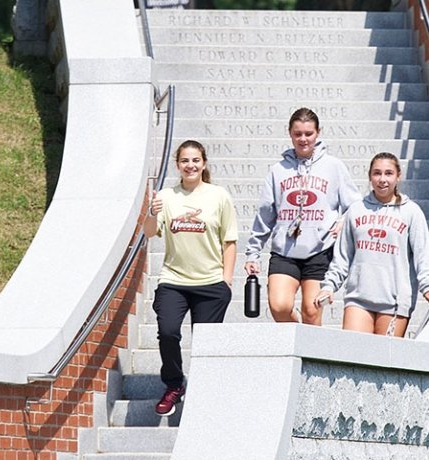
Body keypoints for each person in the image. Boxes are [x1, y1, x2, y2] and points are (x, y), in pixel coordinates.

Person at [143, 139, 238, 416]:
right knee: (168, 332)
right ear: (178, 164)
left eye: (195, 160)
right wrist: (152, 211)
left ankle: (205, 390)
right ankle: (174, 385)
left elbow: (229, 241)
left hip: (210, 283)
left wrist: (227, 281)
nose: (190, 165)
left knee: (207, 342)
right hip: (174, 280)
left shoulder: (218, 196)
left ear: (203, 163)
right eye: (185, 160)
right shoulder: (167, 196)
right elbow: (150, 232)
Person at [245, 107, 361, 325]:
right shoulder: (277, 170)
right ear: (290, 133)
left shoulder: (334, 167)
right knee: (279, 306)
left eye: (308, 134)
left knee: (312, 310)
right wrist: (253, 252)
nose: (303, 139)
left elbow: (355, 204)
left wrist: (343, 220)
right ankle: (298, 333)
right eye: (298, 134)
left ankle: (310, 354)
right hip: (285, 250)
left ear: (318, 133)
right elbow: (265, 213)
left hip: (320, 250)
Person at [314, 152, 429, 337]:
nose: (382, 179)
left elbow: (423, 256)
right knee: (352, 357)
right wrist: (329, 286)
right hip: (358, 298)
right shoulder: (356, 210)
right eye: (377, 173)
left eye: (388, 173)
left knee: (384, 362)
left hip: (394, 302)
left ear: (398, 176)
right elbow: (343, 256)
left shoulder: (411, 212)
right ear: (370, 176)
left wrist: (427, 286)